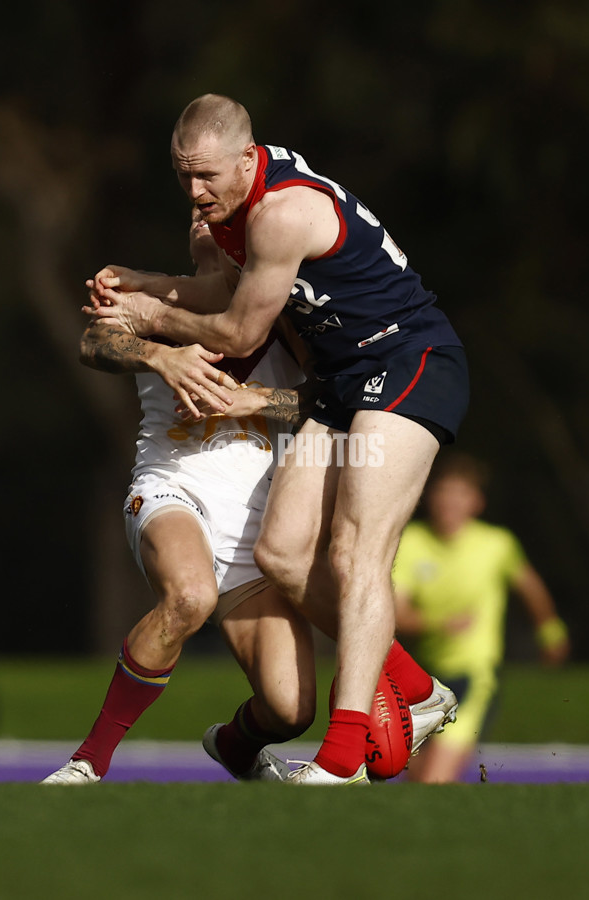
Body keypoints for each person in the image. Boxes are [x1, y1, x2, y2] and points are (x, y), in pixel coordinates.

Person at [84, 93, 469, 785]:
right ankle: (418, 691)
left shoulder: (281, 213)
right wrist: (148, 294)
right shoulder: (235, 207)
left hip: (407, 365)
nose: (195, 194)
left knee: (355, 550)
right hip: (346, 385)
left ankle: (343, 756)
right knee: (285, 552)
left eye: (206, 176)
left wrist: (151, 316)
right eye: (183, 177)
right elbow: (213, 291)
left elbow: (238, 332)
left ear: (246, 157)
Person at [42, 216, 319, 784]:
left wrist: (257, 400)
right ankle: (87, 763)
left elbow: (323, 400)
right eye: (194, 207)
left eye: (219, 203)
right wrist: (158, 355)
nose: (204, 213)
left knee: (291, 709)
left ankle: (237, 748)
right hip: (172, 488)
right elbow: (94, 342)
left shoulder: (289, 308)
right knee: (190, 596)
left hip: (256, 525)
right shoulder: (150, 294)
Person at [393, 450, 571, 783]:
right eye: (444, 492)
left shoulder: (497, 545)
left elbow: (531, 588)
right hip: (423, 679)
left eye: (460, 494)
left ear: (476, 502)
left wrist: (551, 631)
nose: (450, 503)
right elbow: (397, 615)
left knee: (434, 779)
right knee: (412, 778)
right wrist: (438, 625)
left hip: (474, 677)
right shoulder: (412, 542)